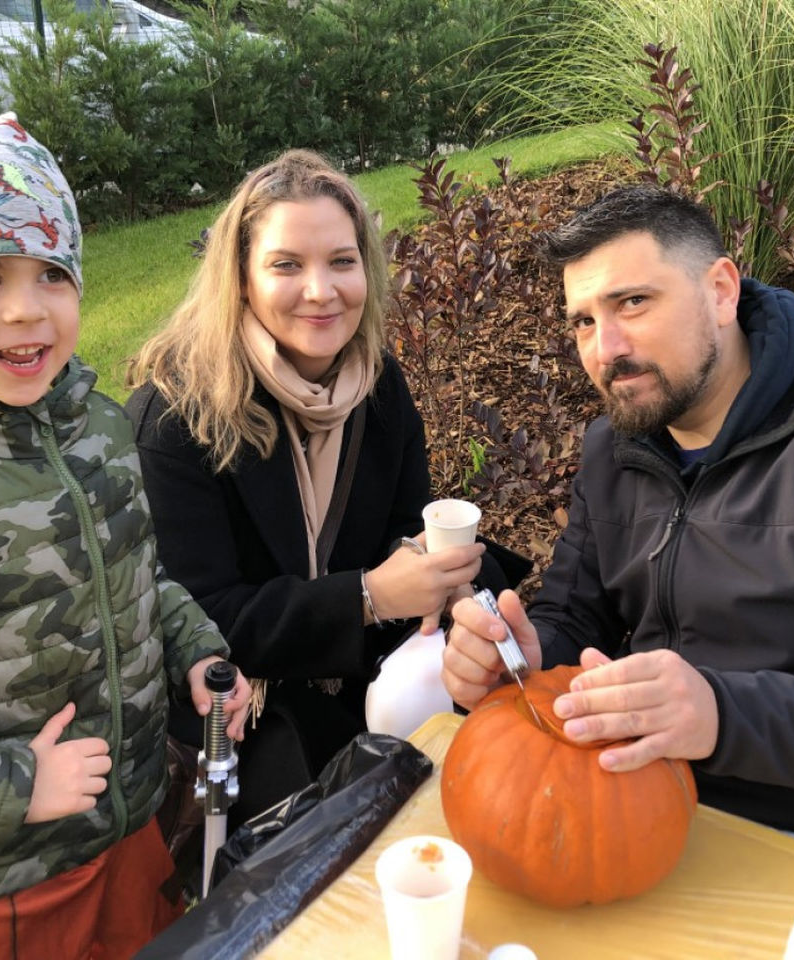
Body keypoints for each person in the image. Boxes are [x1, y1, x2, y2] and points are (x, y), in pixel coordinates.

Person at [441, 184, 794, 886]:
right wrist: (517, 661)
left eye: (633, 303)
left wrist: (719, 713)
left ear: (720, 290)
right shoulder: (614, 447)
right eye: (583, 321)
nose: (606, 351)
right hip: (648, 808)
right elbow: (575, 613)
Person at [125, 149, 525, 826]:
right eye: (287, 265)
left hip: (362, 684)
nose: (321, 290)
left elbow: (403, 522)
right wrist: (367, 596)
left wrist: (435, 574)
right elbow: (201, 618)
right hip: (242, 715)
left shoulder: (379, 388)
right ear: (242, 280)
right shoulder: (177, 417)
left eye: (342, 261)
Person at [0, 113, 252, 960]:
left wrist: (197, 652)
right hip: (20, 883)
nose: (25, 311)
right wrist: (18, 786)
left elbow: (141, 575)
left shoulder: (100, 429)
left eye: (52, 273)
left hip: (134, 825)